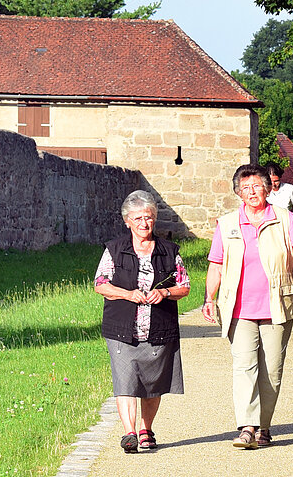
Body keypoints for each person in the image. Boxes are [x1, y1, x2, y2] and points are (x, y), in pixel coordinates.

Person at [201, 163, 293, 450]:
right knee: (245, 365)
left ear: (268, 187)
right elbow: (216, 265)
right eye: (245, 188)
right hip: (238, 308)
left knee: (272, 369)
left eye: (257, 185)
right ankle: (247, 427)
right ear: (238, 193)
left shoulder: (285, 219)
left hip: (277, 306)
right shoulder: (227, 223)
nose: (252, 192)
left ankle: (264, 427)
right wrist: (209, 298)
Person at [95, 190, 191, 454]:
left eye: (148, 218)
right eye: (137, 218)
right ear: (127, 221)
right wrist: (127, 294)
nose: (143, 223)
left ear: (154, 219)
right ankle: (129, 433)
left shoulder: (169, 251)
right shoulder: (114, 249)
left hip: (158, 327)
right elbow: (100, 284)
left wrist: (165, 292)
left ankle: (146, 429)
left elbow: (184, 286)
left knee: (152, 382)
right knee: (125, 379)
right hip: (122, 327)